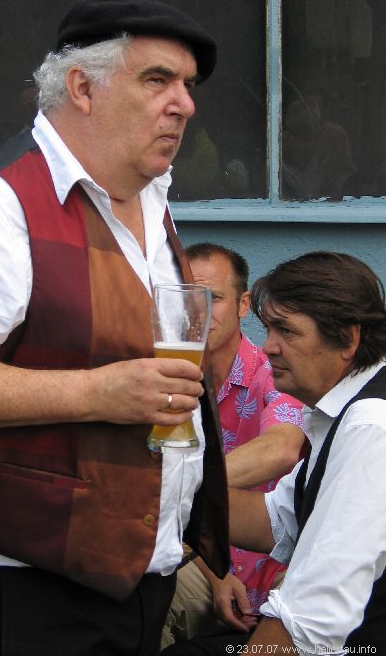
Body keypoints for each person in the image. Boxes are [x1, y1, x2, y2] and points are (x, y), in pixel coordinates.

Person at [0, 0, 230, 656]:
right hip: (22, 586)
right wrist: (100, 391)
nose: (184, 104)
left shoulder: (149, 194)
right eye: (158, 79)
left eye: (188, 85)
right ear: (82, 87)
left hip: (133, 571)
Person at [162, 251, 386, 656]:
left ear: (348, 339)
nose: (269, 347)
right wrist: (160, 490)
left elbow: (312, 619)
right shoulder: (341, 411)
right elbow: (275, 520)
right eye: (268, 329)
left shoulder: (371, 426)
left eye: (286, 331)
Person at [161, 244, 305, 649]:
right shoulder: (165, 377)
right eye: (187, 297)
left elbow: (281, 448)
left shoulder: (273, 370)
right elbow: (164, 516)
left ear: (243, 305)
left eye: (213, 298)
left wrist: (182, 483)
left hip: (276, 573)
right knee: (139, 592)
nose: (198, 311)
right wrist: (214, 572)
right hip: (205, 566)